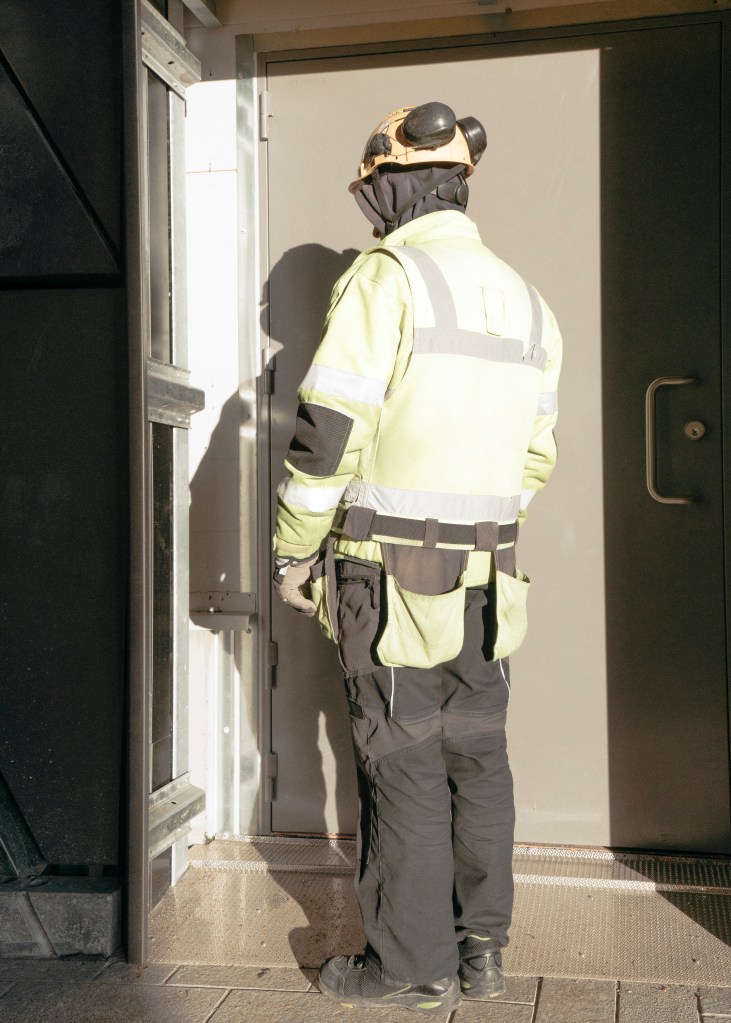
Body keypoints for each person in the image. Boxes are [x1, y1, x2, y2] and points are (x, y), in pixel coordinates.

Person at [272, 102, 562, 1015]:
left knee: (401, 763)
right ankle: (482, 955)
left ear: (394, 184)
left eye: (371, 189)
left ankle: (409, 969)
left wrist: (293, 550)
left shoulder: (385, 278)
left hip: (388, 579)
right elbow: (535, 457)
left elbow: (329, 434)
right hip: (489, 582)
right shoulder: (525, 298)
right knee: (478, 761)